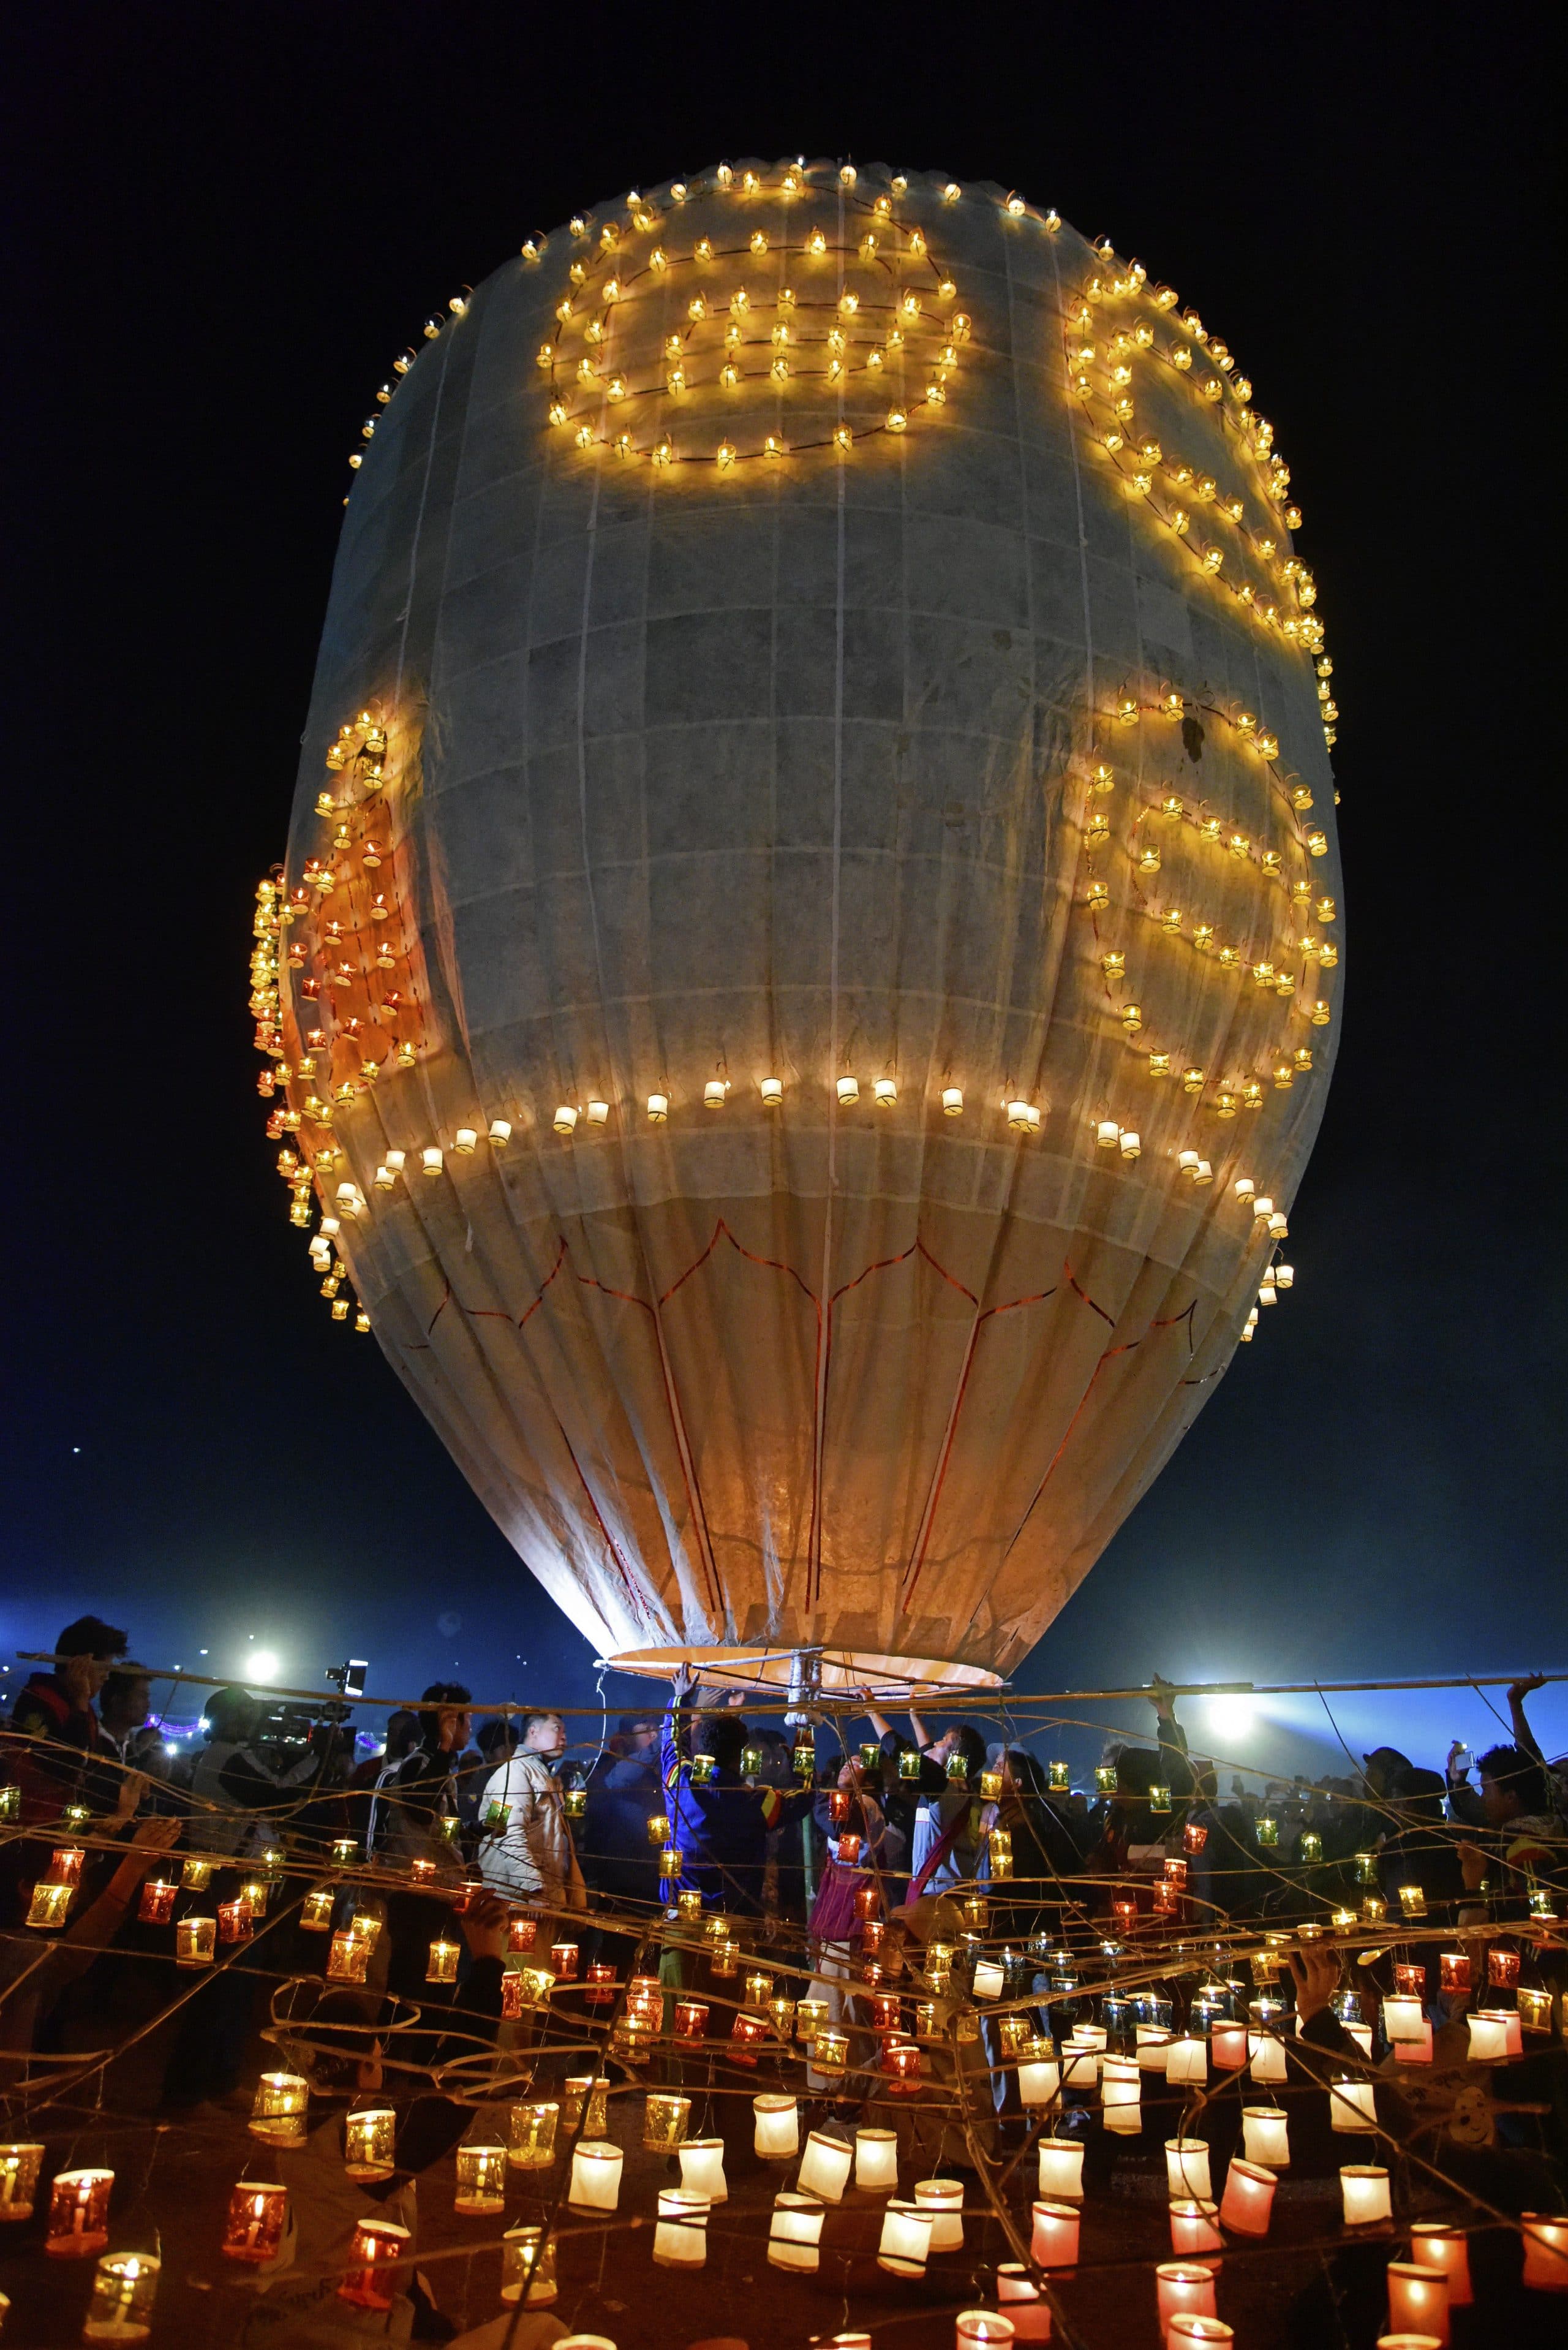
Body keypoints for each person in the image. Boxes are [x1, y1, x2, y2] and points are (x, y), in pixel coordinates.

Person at [239, 1893, 522, 2348]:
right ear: (364, 2069)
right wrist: (488, 1963)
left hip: (282, 2322)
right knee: (542, 2331)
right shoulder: (356, 2149)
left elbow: (432, 2089)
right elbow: (454, 2093)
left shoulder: (302, 2128)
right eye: (376, 2059)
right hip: (341, 2335)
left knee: (415, 2281)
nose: (384, 2070)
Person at [662, 1672, 811, 1915]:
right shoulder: (757, 1803)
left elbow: (673, 1742)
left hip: (678, 1917)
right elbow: (803, 1798)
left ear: (703, 1749)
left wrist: (681, 1698)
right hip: (735, 1921)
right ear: (742, 1757)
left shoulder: (680, 1782)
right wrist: (804, 1757)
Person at [477, 1710, 586, 1914]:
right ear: (533, 1731)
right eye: (557, 1729)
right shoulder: (513, 1773)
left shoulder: (543, 1776)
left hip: (544, 1899)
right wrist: (533, 1888)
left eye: (564, 1731)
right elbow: (505, 1835)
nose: (564, 1737)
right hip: (519, 1901)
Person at [579, 1712, 663, 1913]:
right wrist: (662, 1742)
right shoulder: (608, 1766)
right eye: (647, 1729)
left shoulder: (656, 1768)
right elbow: (620, 1778)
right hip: (620, 1873)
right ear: (627, 1737)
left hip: (653, 1872)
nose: (654, 1734)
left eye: (656, 1729)